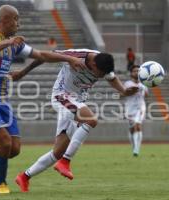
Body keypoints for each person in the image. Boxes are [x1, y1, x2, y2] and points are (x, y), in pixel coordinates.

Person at [0, 5, 85, 194]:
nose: (19, 24)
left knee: (14, 149)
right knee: (5, 144)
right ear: (5, 19)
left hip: (1, 102)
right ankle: (1, 184)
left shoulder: (15, 43)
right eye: (16, 20)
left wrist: (67, 59)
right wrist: (9, 42)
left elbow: (41, 55)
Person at [11, 49, 139, 192]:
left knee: (57, 152)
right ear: (94, 65)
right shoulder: (77, 56)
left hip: (76, 102)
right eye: (100, 74)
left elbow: (112, 78)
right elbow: (44, 55)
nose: (101, 77)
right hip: (62, 96)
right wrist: (24, 71)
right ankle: (65, 161)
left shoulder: (103, 64)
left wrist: (124, 91)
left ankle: (24, 177)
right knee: (91, 120)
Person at [124, 65, 148, 157]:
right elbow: (122, 94)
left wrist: (144, 89)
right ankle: (134, 146)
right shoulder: (127, 84)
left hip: (140, 107)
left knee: (137, 126)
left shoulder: (144, 84)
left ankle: (136, 150)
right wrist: (131, 91)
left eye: (138, 71)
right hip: (130, 108)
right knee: (131, 129)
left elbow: (146, 95)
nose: (137, 72)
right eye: (135, 71)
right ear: (131, 73)